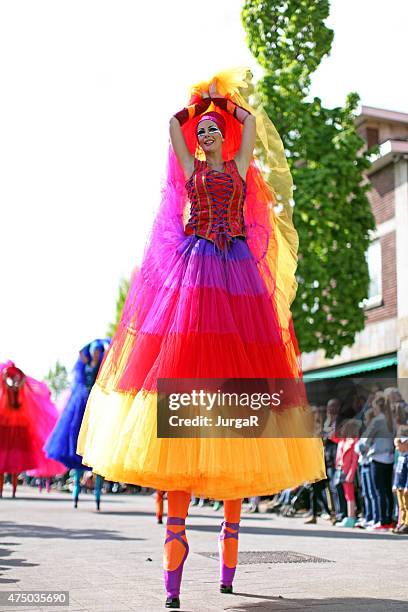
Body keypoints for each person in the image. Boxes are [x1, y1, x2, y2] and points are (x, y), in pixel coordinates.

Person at [77, 68, 326, 609]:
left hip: (236, 279)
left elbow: (252, 122)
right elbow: (171, 124)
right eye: (203, 133)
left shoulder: (239, 167)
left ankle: (229, 565)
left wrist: (223, 103)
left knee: (239, 395)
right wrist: (196, 110)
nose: (208, 136)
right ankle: (173, 580)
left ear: (227, 139)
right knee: (186, 393)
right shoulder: (189, 165)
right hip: (195, 281)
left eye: (215, 131)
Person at [45, 340, 109, 510]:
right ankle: (76, 491)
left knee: (97, 442)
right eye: (95, 351)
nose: (96, 353)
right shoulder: (86, 363)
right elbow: (81, 351)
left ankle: (96, 492)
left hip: (96, 403)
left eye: (98, 351)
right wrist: (91, 344)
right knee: (77, 435)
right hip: (82, 405)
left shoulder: (102, 366)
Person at [0, 362, 61, 498]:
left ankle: (14, 490)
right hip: (7, 424)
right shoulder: (6, 389)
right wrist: (7, 375)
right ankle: (2, 490)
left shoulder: (20, 389)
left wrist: (17, 374)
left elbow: (21, 382)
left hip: (17, 425)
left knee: (14, 464)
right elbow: (6, 383)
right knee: (3, 463)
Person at [359, 392, 395, 531]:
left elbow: (366, 441)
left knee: (379, 491)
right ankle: (389, 520)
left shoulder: (377, 420)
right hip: (390, 458)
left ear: (376, 406)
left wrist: (363, 452)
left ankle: (382, 521)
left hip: (377, 458)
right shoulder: (390, 419)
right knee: (387, 491)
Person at [335, 419, 360, 528]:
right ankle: (348, 516)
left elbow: (355, 460)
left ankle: (351, 517)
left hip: (348, 471)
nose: (343, 429)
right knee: (345, 495)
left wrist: (351, 473)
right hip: (340, 470)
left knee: (350, 495)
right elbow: (331, 435)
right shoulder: (343, 440)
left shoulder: (355, 441)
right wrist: (331, 420)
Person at [392, 425, 408, 534]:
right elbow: (397, 472)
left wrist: (407, 485)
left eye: (398, 446)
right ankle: (402, 522)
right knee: (401, 506)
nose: (397, 448)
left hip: (405, 486)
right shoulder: (401, 456)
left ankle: (407, 523)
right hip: (399, 486)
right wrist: (395, 484)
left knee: (407, 506)